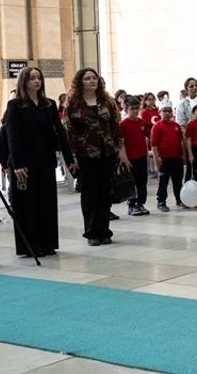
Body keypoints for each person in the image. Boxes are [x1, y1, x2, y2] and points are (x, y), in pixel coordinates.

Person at [64, 67, 128, 247]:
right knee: (90, 193)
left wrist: (122, 152)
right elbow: (69, 132)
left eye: (95, 78)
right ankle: (92, 231)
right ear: (80, 82)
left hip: (107, 152)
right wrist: (72, 157)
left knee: (105, 192)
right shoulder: (73, 104)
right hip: (85, 155)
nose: (92, 81)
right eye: (87, 79)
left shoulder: (108, 102)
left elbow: (116, 129)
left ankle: (104, 230)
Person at [118, 96, 152, 217]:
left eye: (137, 108)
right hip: (131, 158)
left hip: (142, 156)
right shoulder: (123, 124)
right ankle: (132, 204)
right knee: (132, 182)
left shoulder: (142, 123)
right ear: (126, 109)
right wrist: (124, 158)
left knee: (142, 181)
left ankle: (141, 203)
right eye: (132, 108)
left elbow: (145, 140)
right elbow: (121, 143)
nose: (135, 111)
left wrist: (147, 155)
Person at [150, 103, 185, 211]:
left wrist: (183, 154)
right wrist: (157, 158)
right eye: (164, 111)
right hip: (164, 159)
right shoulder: (157, 126)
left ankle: (179, 199)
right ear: (160, 113)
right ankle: (161, 201)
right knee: (163, 182)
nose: (167, 113)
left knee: (178, 181)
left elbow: (181, 141)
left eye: (169, 111)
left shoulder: (176, 126)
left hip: (177, 158)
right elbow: (154, 144)